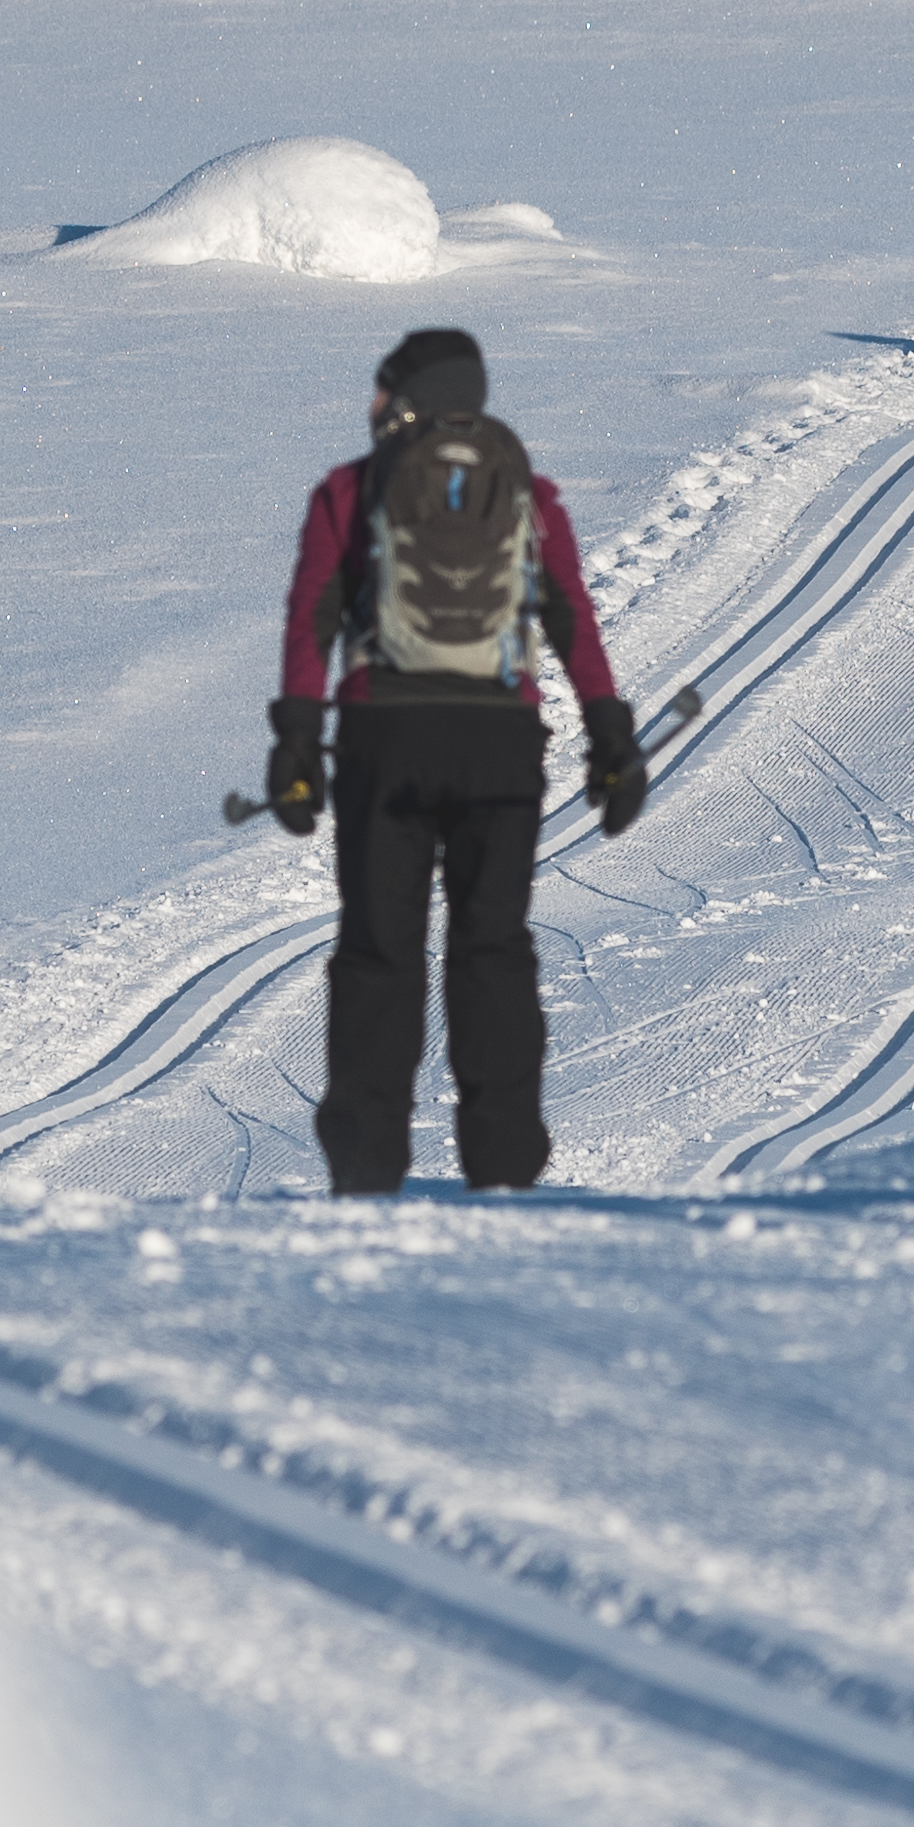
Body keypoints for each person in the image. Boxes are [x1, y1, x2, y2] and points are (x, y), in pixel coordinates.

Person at [266, 326, 643, 1194]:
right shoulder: (527, 494)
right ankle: (502, 1170)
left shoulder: (350, 490)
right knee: (492, 947)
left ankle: (367, 1169)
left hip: (384, 741)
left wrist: (297, 739)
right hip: (499, 746)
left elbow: (311, 615)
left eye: (380, 387)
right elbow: (569, 613)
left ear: (408, 398)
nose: (369, 404)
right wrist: (610, 734)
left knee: (378, 950)